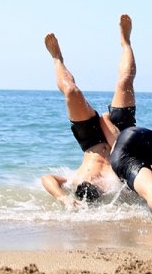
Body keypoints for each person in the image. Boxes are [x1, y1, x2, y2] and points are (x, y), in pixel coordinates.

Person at [41, 14, 140, 208]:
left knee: (71, 91)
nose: (94, 183)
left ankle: (57, 59)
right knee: (125, 81)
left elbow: (47, 178)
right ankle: (126, 43)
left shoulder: (76, 180)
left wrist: (62, 197)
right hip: (119, 138)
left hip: (90, 139)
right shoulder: (116, 187)